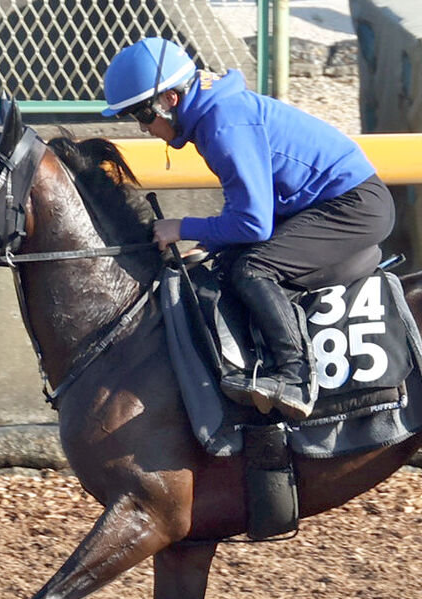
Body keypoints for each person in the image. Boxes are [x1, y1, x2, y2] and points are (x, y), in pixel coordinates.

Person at [100, 36, 395, 421]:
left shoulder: (222, 126)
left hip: (353, 207)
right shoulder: (214, 117)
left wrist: (183, 227)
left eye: (141, 114)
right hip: (325, 204)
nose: (142, 128)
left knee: (253, 269)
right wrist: (210, 245)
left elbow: (254, 224)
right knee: (228, 264)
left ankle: (296, 377)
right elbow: (251, 211)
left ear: (170, 100)